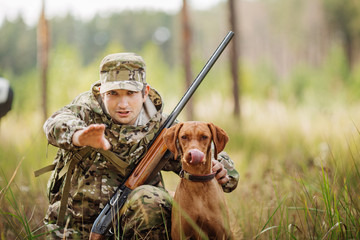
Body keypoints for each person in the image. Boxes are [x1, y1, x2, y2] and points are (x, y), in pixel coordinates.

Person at [41, 52, 239, 239]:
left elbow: (198, 152)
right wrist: (79, 136)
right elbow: (54, 123)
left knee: (151, 198)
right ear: (102, 93)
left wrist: (223, 169)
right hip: (75, 225)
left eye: (130, 93)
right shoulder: (84, 112)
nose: (123, 104)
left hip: (135, 222)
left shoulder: (163, 128)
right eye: (114, 94)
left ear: (145, 93)